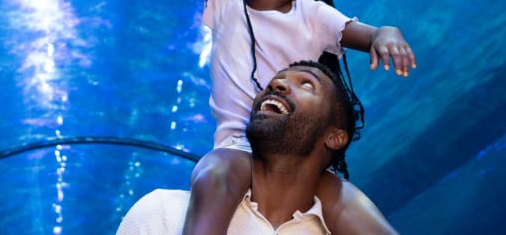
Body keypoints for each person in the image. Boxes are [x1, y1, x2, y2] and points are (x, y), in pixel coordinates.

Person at [150, 0, 416, 234]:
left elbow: (371, 34)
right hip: (241, 149)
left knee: (351, 205)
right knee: (214, 174)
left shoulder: (311, 14)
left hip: (300, 151)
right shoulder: (225, 4)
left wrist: (389, 34)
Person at [117, 61, 396, 234]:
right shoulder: (161, 210)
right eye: (278, 79)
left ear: (334, 137)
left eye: (307, 85)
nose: (277, 83)